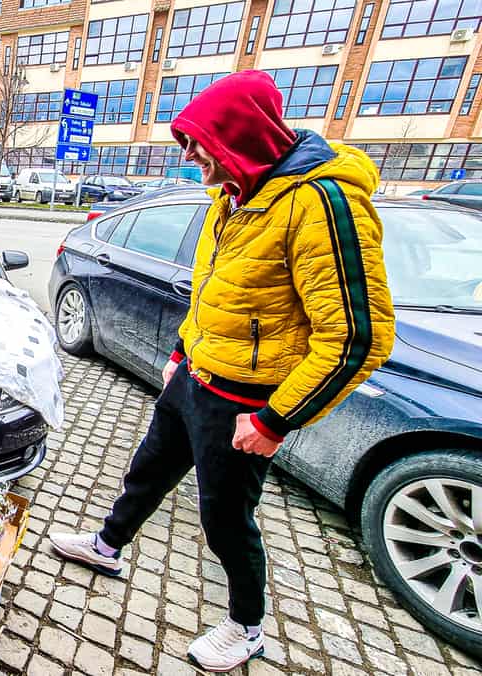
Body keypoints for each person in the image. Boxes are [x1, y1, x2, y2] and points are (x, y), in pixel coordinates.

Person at [49, 70, 395, 672]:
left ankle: (247, 627)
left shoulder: (321, 204)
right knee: (148, 468)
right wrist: (183, 353)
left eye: (198, 142)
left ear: (241, 136)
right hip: (195, 377)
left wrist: (274, 419)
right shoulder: (231, 196)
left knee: (225, 518)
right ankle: (108, 546)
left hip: (244, 401)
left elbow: (357, 340)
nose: (190, 157)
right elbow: (213, 292)